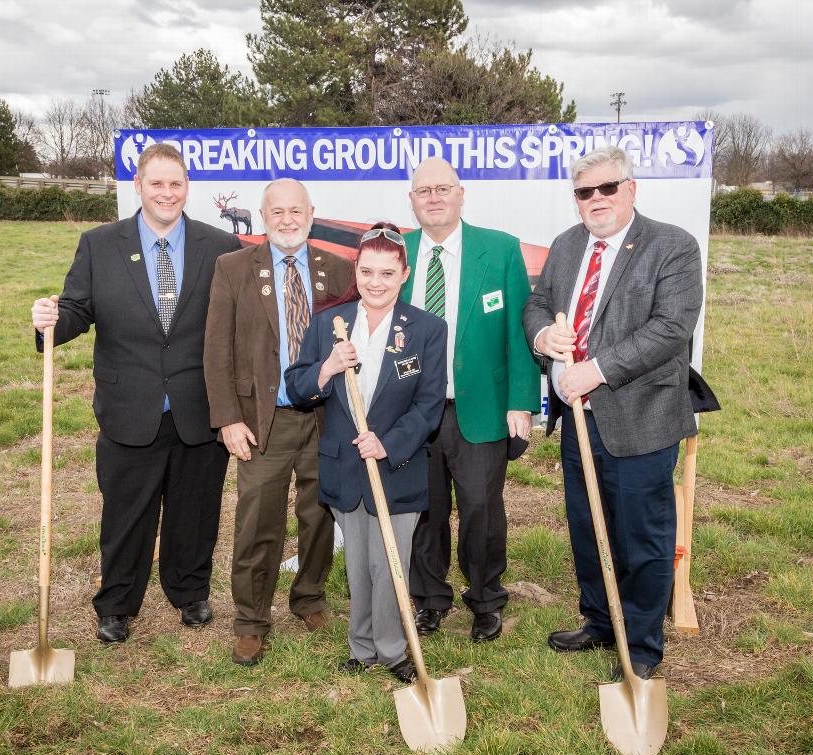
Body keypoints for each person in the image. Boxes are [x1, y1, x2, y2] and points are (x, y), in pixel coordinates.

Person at [30, 143, 241, 644]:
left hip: (199, 406)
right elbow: (78, 310)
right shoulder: (100, 244)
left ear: (187, 187)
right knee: (127, 513)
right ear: (139, 186)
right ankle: (117, 604)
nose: (167, 193)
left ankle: (190, 592)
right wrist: (50, 324)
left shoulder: (220, 246)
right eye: (156, 183)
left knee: (197, 508)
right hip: (130, 408)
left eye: (176, 184)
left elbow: (236, 322)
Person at [522, 146, 703, 680]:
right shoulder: (567, 245)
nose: (596, 199)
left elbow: (671, 329)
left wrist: (595, 370)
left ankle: (642, 645)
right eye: (585, 192)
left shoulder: (672, 246)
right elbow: (537, 304)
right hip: (579, 419)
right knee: (587, 523)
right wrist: (543, 336)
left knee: (640, 533)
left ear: (630, 189)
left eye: (607, 188)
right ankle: (600, 621)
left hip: (641, 414)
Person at [285, 223, 447, 683]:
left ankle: (394, 649)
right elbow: (297, 388)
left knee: (389, 561)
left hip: (398, 464)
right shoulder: (327, 326)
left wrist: (389, 442)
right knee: (357, 563)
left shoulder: (427, 330)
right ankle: (362, 648)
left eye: (387, 273)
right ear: (356, 270)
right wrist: (328, 367)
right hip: (345, 467)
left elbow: (429, 404)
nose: (376, 282)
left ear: (404, 274)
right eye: (368, 272)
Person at [203, 178, 351, 666]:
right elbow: (217, 349)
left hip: (326, 416)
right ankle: (250, 619)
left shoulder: (339, 270)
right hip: (263, 419)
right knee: (257, 520)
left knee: (318, 514)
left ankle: (309, 597)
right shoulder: (233, 268)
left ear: (312, 212)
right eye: (277, 213)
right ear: (263, 218)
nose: (288, 220)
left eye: (296, 211)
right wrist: (227, 418)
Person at [401, 157, 541, 643]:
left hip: (478, 409)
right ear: (412, 200)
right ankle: (430, 600)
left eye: (443, 188)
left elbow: (520, 336)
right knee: (424, 510)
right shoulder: (398, 251)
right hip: (413, 412)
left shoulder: (499, 250)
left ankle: (485, 599)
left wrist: (523, 402)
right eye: (423, 191)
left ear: (462, 194)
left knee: (482, 510)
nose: (434, 198)